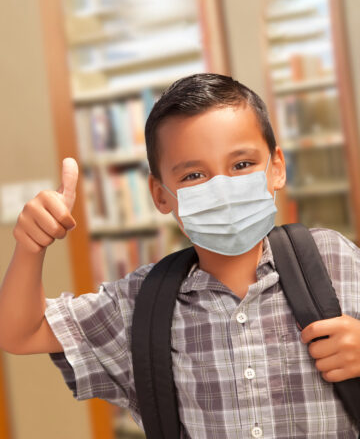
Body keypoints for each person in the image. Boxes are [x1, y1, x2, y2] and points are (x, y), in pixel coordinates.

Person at [1, 73, 360, 438]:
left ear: (276, 168)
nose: (222, 189)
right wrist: (30, 248)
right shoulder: (139, 306)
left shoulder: (333, 259)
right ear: (160, 195)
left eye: (241, 165)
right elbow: (20, 333)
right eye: (193, 175)